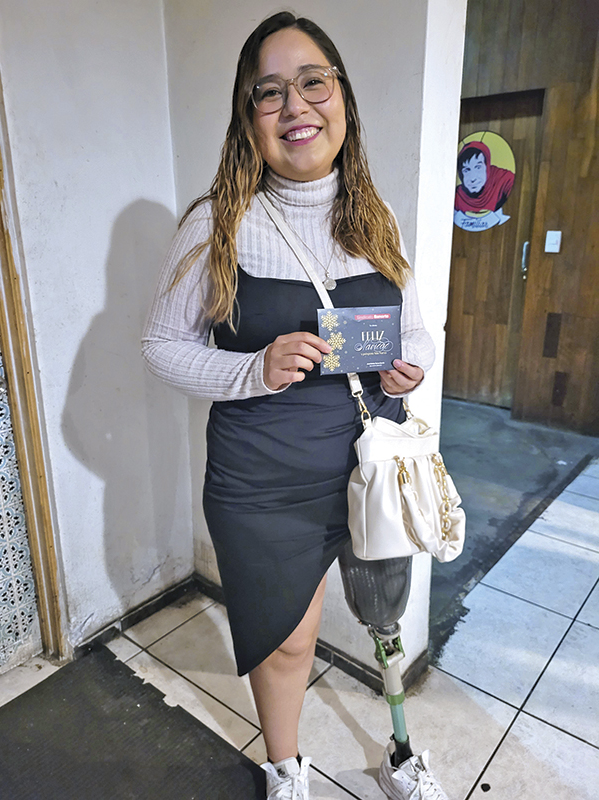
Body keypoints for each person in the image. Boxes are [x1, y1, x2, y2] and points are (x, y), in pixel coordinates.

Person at [142, 12, 445, 800]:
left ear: (342, 97)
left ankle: (402, 753)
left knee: (385, 619)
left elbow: (416, 328)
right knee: (287, 643)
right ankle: (285, 769)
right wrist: (253, 368)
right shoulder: (217, 223)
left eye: (313, 82)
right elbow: (161, 345)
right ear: (248, 116)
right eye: (269, 92)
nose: (295, 106)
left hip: (371, 466)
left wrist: (413, 367)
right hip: (263, 483)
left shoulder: (374, 216)